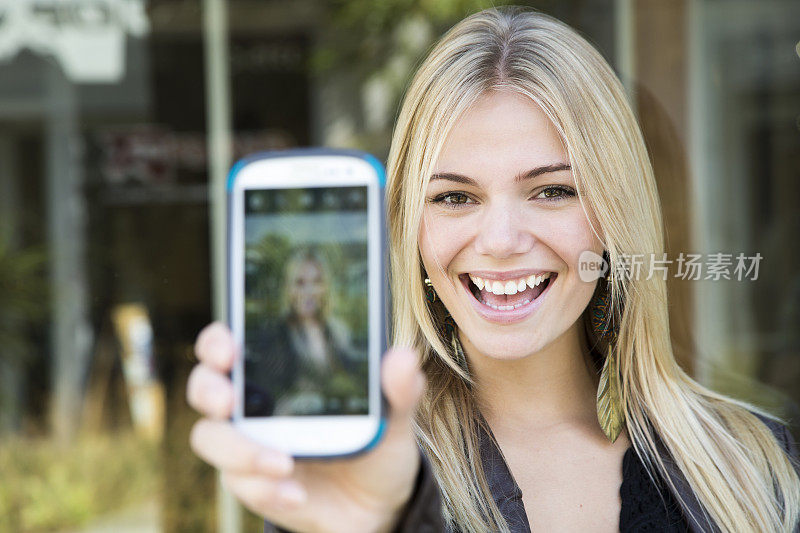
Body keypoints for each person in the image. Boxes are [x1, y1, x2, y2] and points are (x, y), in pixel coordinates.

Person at [187, 7, 800, 532]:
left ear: (615, 216)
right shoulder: (373, 480)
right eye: (455, 198)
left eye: (553, 191)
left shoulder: (758, 468)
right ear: (412, 231)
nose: (501, 242)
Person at [245, 248, 365, 416]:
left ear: (325, 287)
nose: (309, 291)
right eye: (300, 282)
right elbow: (267, 395)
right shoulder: (274, 335)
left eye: (317, 282)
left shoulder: (339, 331)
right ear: (289, 288)